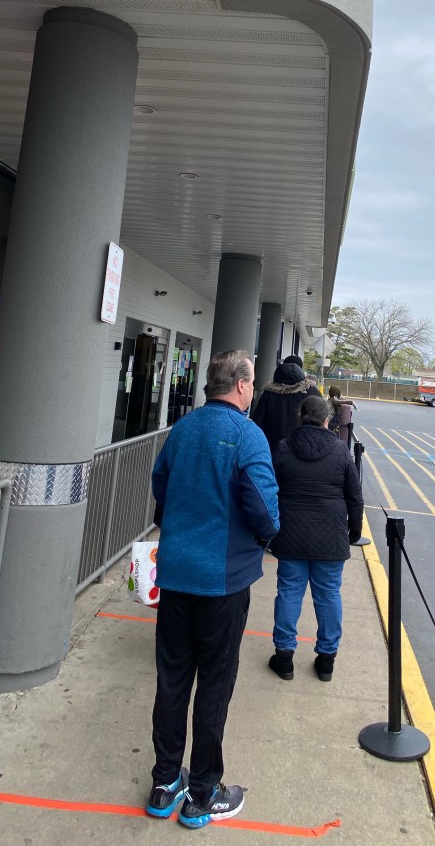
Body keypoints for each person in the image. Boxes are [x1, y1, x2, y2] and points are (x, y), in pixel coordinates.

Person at [147, 349, 279, 828]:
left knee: (172, 678)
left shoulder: (183, 429)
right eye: (251, 382)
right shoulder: (247, 435)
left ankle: (165, 781)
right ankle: (203, 792)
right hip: (223, 583)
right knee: (215, 684)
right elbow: (264, 510)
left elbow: (161, 488)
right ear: (241, 386)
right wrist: (263, 540)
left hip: (176, 574)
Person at [267, 396, 364, 684]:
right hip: (331, 535)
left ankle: (284, 656)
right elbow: (354, 495)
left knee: (289, 591)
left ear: (300, 416)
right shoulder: (340, 450)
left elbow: (270, 488)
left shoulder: (284, 447)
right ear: (327, 420)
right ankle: (326, 660)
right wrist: (354, 531)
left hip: (291, 532)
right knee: (329, 594)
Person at [251, 355, 321, 456]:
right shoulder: (312, 391)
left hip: (273, 450)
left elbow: (258, 422)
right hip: (304, 449)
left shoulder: (269, 392)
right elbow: (321, 419)